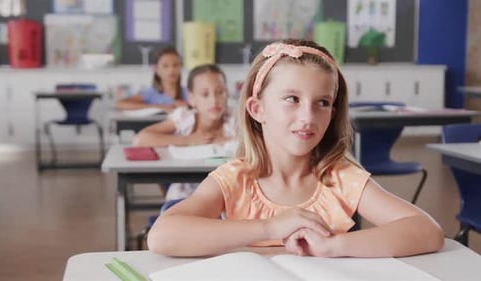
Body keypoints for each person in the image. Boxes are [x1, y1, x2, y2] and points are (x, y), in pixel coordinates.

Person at [147, 39, 444, 258]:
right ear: (257, 108)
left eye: (322, 103)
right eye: (292, 98)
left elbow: (426, 231)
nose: (308, 117)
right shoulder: (235, 178)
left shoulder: (339, 177)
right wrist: (270, 228)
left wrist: (333, 246)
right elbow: (162, 235)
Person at [133, 63, 235, 200]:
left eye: (220, 92)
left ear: (227, 93)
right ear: (192, 98)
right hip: (185, 194)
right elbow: (141, 139)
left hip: (226, 193)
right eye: (205, 94)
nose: (214, 100)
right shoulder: (185, 118)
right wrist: (188, 140)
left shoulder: (234, 120)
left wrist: (225, 140)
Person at [116, 46, 188, 111]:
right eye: (165, 66)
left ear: (180, 67)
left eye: (175, 65)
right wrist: (158, 107)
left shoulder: (188, 93)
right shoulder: (150, 93)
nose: (171, 70)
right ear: (156, 69)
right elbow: (120, 104)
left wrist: (187, 106)